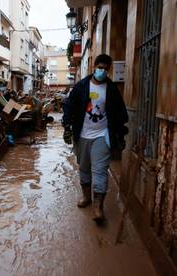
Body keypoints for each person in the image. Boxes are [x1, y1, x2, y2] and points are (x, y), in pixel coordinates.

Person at [62, 54, 128, 225]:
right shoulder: (82, 86)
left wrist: (120, 134)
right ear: (94, 67)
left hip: (102, 135)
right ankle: (86, 197)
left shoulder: (111, 89)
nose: (102, 71)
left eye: (106, 69)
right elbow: (69, 106)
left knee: (99, 170)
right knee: (84, 167)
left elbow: (120, 113)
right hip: (82, 135)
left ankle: (98, 207)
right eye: (100, 67)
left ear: (109, 70)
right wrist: (67, 127)